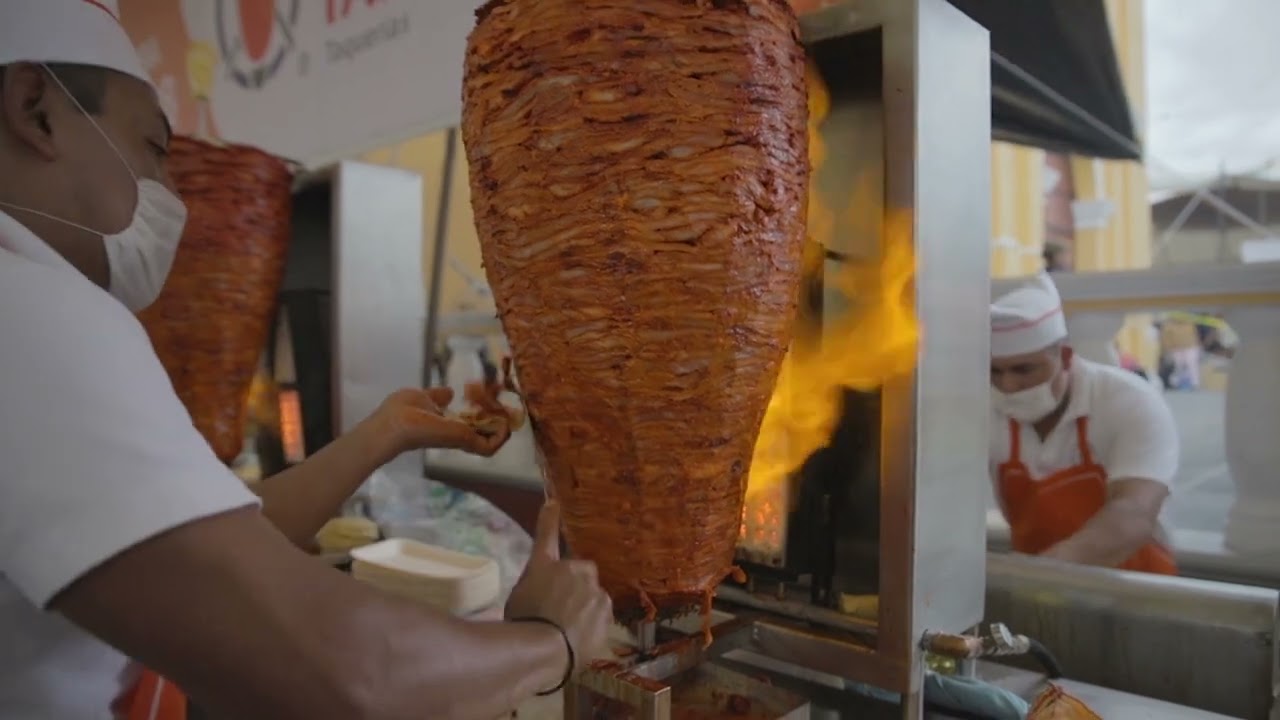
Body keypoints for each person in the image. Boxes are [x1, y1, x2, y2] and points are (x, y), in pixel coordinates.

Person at [0, 2, 611, 719]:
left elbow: (224, 550)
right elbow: (348, 677)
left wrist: (383, 434)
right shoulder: (31, 312)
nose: (168, 195)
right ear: (35, 110)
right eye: (152, 148)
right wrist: (553, 641)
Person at [988, 273, 1179, 575]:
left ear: (1064, 357)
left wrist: (1044, 571)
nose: (1008, 385)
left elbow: (1134, 514)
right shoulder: (987, 410)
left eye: (1024, 370)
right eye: (994, 372)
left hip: (1136, 586)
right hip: (1039, 590)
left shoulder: (1129, 401)